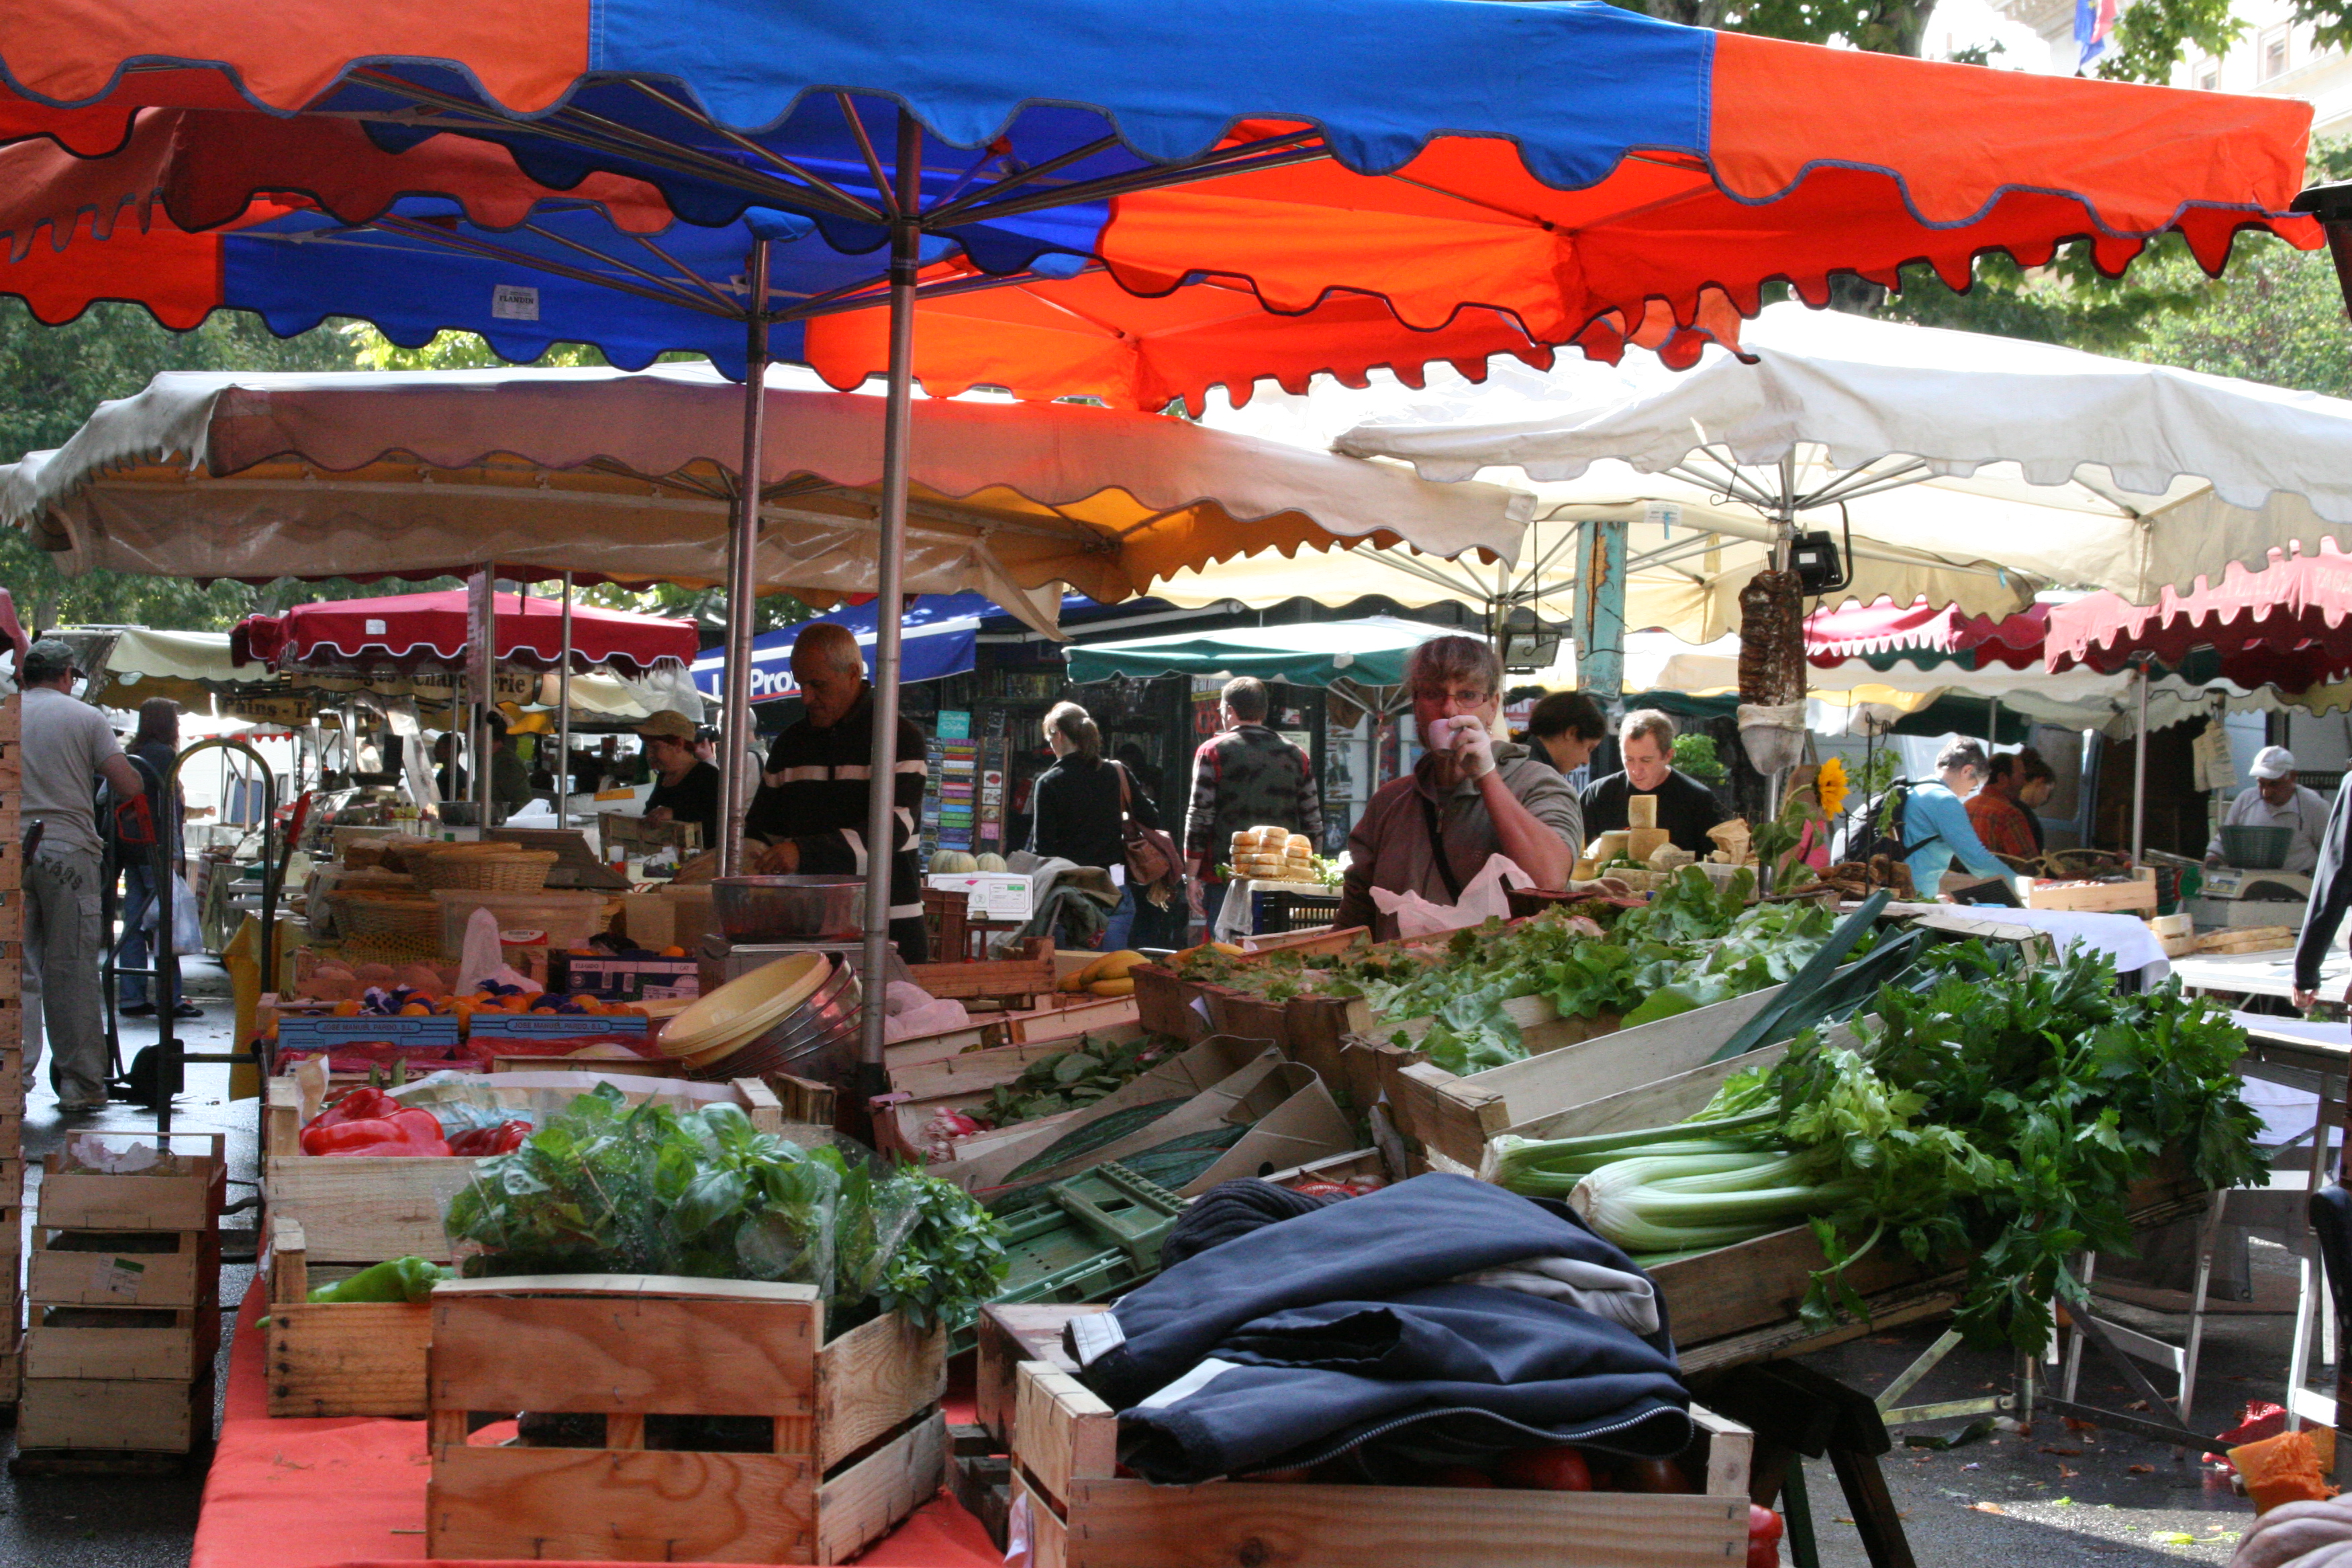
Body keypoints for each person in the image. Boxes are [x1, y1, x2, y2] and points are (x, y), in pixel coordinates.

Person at [1335, 637, 1581, 940]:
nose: (1449, 709)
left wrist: (1486, 775)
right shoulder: (1389, 802)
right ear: (1416, 704)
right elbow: (1354, 922)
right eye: (1433, 694)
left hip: (1497, 971)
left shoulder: (1538, 784)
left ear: (1493, 706)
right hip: (1399, 970)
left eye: (1468, 695)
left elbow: (1549, 881)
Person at [743, 622, 930, 963]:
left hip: (888, 927)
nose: (806, 698)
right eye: (800, 684)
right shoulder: (790, 744)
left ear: (853, 673)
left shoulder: (900, 738)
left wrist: (803, 852)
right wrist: (753, 854)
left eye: (818, 685)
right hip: (803, 929)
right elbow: (762, 829)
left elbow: (894, 828)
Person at [17, 639, 146, 1112]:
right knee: (70, 968)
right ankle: (81, 1083)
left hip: (10, 850)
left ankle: (11, 1082)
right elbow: (127, 783)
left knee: (14, 971)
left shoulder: (7, 712)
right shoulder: (85, 718)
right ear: (67, 674)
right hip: (67, 850)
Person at [1182, 677, 1320, 936]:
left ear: (1229, 710)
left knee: (1228, 950)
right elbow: (1312, 821)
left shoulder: (1212, 751)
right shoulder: (1296, 754)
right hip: (1281, 878)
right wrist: (1310, 871)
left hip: (1227, 875)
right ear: (1263, 712)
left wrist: (1191, 876)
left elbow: (1200, 816)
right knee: (1274, 948)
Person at [1028, 702, 1163, 952]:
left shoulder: (1049, 783)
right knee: (1109, 968)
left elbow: (1043, 850)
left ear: (1059, 735)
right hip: (1115, 887)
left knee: (1069, 970)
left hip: (1070, 893)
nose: (1051, 744)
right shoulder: (1116, 772)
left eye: (1049, 738)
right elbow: (1151, 818)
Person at [114, 698, 198, 1020]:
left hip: (131, 847)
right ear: (168, 724)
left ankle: (132, 997)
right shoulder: (165, 757)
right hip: (157, 848)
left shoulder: (131, 753)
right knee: (167, 923)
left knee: (134, 924)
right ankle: (170, 998)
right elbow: (170, 808)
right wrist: (175, 853)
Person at [1578, 709, 1729, 854]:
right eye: (1629, 759)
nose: (1636, 770)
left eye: (1646, 760)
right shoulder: (1598, 794)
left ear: (1668, 756)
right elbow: (1578, 851)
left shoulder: (1699, 800)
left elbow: (1714, 860)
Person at [1902, 739, 2015, 897]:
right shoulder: (1944, 800)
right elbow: (1977, 859)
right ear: (1967, 770)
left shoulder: (1915, 788)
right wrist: (2020, 885)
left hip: (1892, 888)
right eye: (1973, 786)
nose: (1968, 793)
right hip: (1913, 896)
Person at [2208, 746, 2329, 875]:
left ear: (2292, 777)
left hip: (2298, 882)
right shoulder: (2246, 800)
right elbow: (2225, 840)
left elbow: (2331, 851)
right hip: (2250, 880)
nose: (2266, 793)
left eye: (2274, 784)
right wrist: (2213, 856)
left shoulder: (2315, 806)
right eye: (2261, 784)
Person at [638, 709, 721, 851]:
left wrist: (675, 814)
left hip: (703, 860)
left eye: (655, 747)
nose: (649, 755)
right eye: (648, 747)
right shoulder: (664, 776)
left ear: (678, 744)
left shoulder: (709, 776)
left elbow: (719, 822)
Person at [1967, 748, 2056, 865]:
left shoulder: (1967, 806)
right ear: (2003, 778)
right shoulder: (2009, 814)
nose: (2024, 782)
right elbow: (2029, 865)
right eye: (2021, 776)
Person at [1524, 690, 1608, 777]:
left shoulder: (1519, 762)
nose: (1586, 761)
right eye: (1589, 749)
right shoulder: (1539, 777)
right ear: (1572, 733)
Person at [487, 726, 534, 822]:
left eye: (469, 728)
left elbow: (523, 804)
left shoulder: (506, 763)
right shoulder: (491, 760)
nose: (465, 732)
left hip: (499, 827)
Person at [432, 732, 467, 801]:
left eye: (438, 747)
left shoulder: (460, 778)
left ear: (450, 749)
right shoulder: (442, 774)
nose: (435, 751)